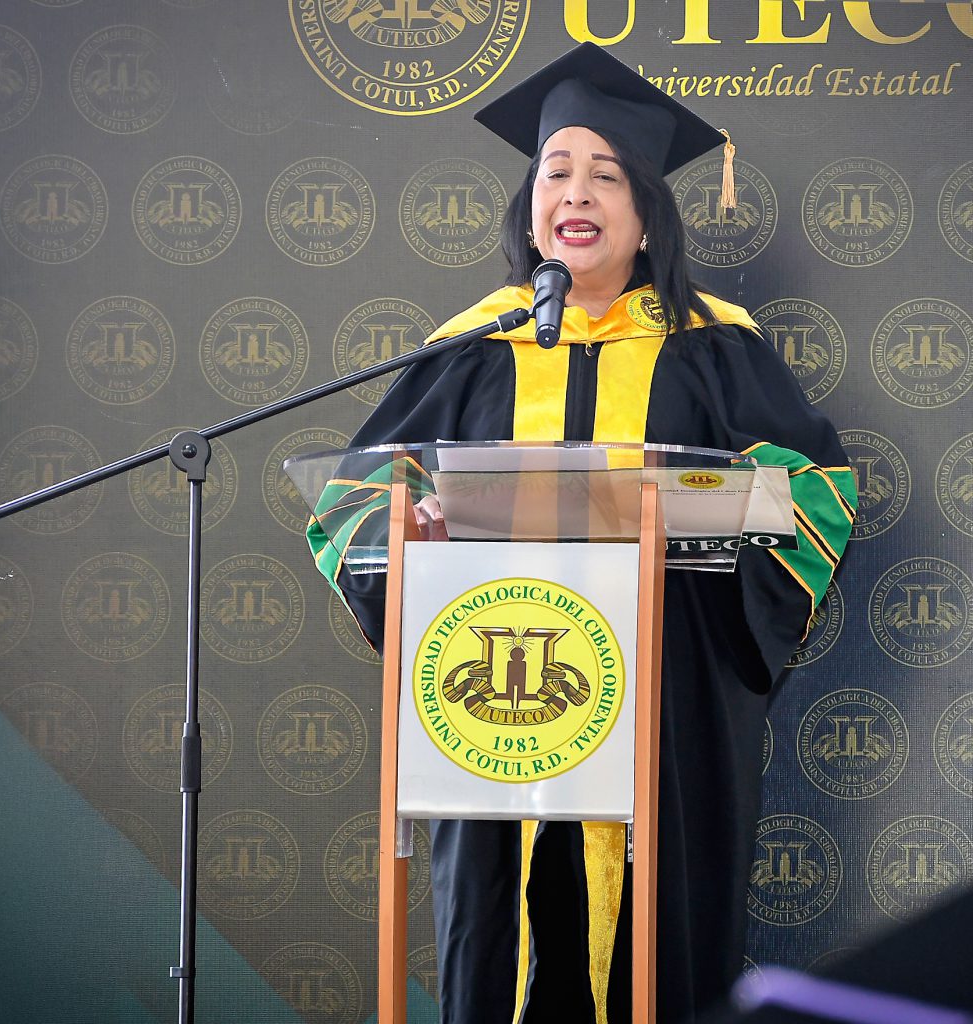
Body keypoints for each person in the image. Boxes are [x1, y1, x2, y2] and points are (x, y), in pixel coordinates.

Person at [307, 42, 856, 1024]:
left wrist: (705, 517)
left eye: (607, 175)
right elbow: (352, 499)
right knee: (501, 938)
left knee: (657, 945)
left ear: (647, 217)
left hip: (664, 706)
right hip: (497, 706)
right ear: (531, 210)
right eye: (556, 171)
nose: (577, 191)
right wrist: (412, 531)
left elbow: (815, 494)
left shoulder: (714, 346)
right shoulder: (473, 348)